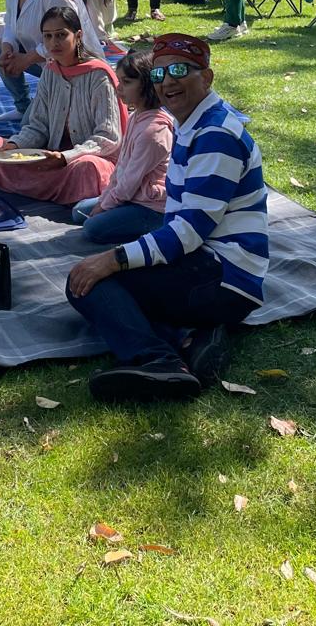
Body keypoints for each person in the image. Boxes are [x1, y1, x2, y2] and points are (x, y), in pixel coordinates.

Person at [66, 33, 266, 401]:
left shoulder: (216, 135)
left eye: (179, 70)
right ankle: (193, 337)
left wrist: (113, 261)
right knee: (109, 277)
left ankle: (159, 362)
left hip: (224, 277)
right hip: (211, 266)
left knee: (90, 283)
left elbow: (188, 233)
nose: (168, 81)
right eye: (159, 75)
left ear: (206, 78)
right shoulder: (194, 124)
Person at [0, 6, 123, 203]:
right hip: (48, 160)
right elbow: (38, 125)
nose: (53, 43)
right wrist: (15, 145)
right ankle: (56, 192)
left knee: (88, 169)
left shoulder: (98, 75)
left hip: (83, 160)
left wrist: (67, 157)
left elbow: (108, 137)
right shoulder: (50, 71)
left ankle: (26, 186)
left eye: (61, 35)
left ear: (78, 36)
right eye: (47, 36)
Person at [71, 48, 174, 245]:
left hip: (152, 208)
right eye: (119, 80)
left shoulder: (153, 132)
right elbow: (121, 168)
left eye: (126, 82)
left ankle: (156, 228)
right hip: (133, 196)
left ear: (147, 84)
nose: (118, 88)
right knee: (79, 211)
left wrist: (105, 206)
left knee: (92, 229)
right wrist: (105, 199)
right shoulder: (137, 117)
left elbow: (129, 182)